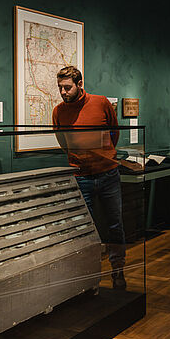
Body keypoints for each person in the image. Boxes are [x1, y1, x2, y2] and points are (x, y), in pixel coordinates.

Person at [52, 66, 126, 289]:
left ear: (80, 84)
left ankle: (118, 270)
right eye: (60, 88)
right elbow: (62, 141)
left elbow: (114, 133)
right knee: (84, 228)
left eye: (67, 87)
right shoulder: (58, 111)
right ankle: (89, 276)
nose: (63, 92)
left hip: (108, 173)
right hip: (80, 176)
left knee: (115, 224)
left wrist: (104, 156)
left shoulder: (101, 102)